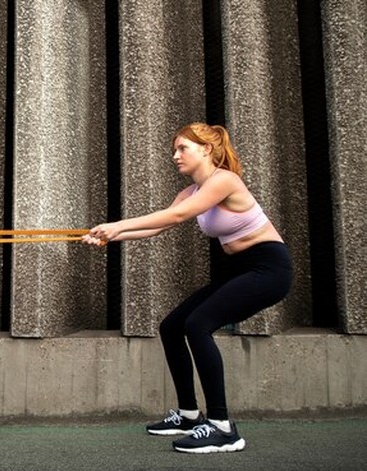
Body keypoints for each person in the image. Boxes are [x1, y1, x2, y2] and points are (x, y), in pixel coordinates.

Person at [83, 122, 292, 453]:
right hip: (238, 271)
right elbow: (158, 226)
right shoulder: (191, 192)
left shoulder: (224, 180)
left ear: (206, 149)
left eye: (183, 148)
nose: (175, 155)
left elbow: (179, 216)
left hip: (268, 269)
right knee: (172, 326)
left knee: (198, 325)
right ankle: (189, 415)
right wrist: (109, 236)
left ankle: (222, 427)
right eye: (175, 150)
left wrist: (117, 225)